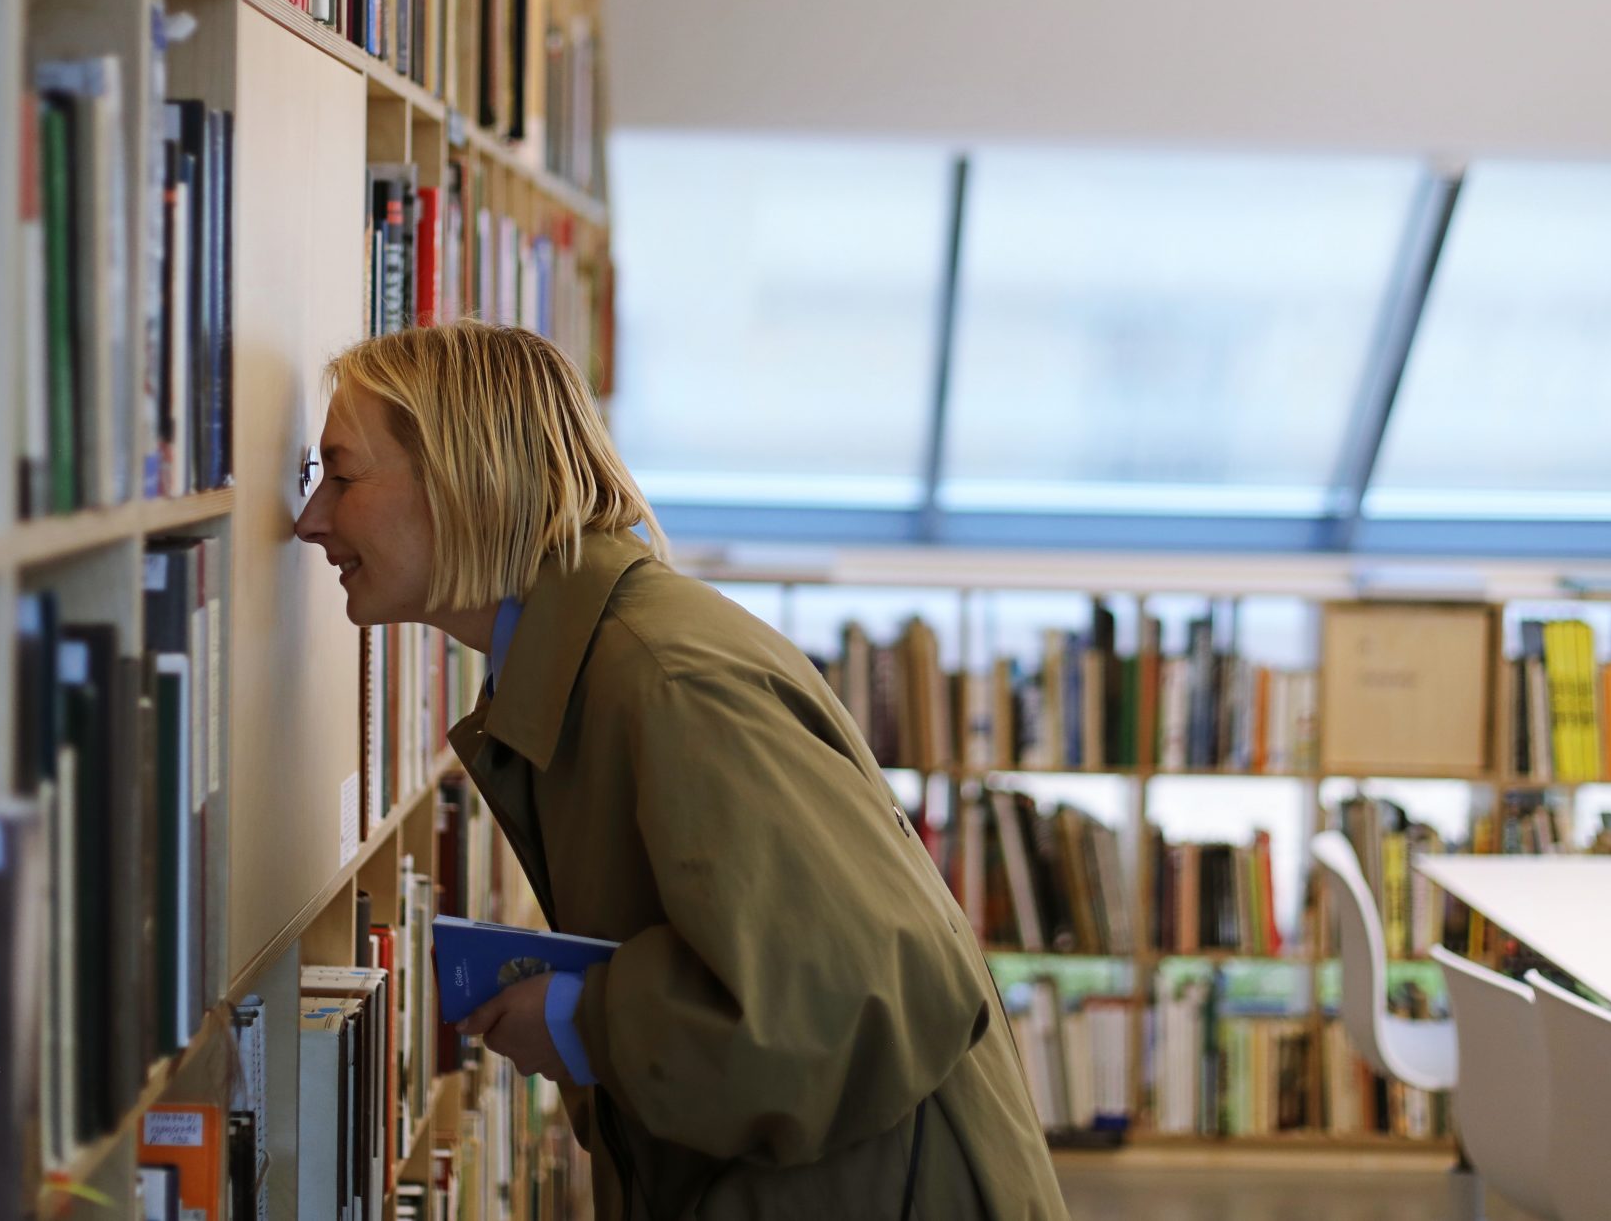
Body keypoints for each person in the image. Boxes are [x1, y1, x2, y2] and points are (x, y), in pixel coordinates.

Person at [293, 321, 1065, 1220]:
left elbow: (854, 998)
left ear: (466, 477)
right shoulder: (591, 663)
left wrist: (581, 1018)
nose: (311, 521)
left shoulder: (663, 677)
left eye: (343, 475)